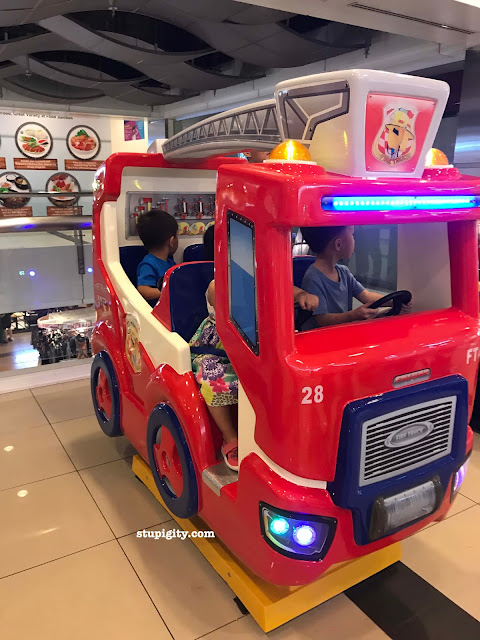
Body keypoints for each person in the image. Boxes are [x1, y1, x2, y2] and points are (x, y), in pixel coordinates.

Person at [190, 224, 319, 471]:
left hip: (260, 341)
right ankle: (230, 438)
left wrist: (301, 294)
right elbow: (234, 314)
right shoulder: (217, 285)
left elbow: (286, 288)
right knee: (213, 378)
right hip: (221, 346)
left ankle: (284, 432)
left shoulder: (262, 277)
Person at [300, 225, 411, 330]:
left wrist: (393, 301)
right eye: (352, 235)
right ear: (338, 244)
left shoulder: (343, 272)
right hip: (321, 336)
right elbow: (321, 319)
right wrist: (353, 315)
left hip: (341, 331)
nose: (354, 240)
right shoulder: (313, 278)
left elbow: (366, 296)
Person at [136, 209, 178, 306]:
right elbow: (143, 290)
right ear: (172, 241)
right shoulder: (148, 264)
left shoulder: (170, 263)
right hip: (156, 310)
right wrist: (168, 291)